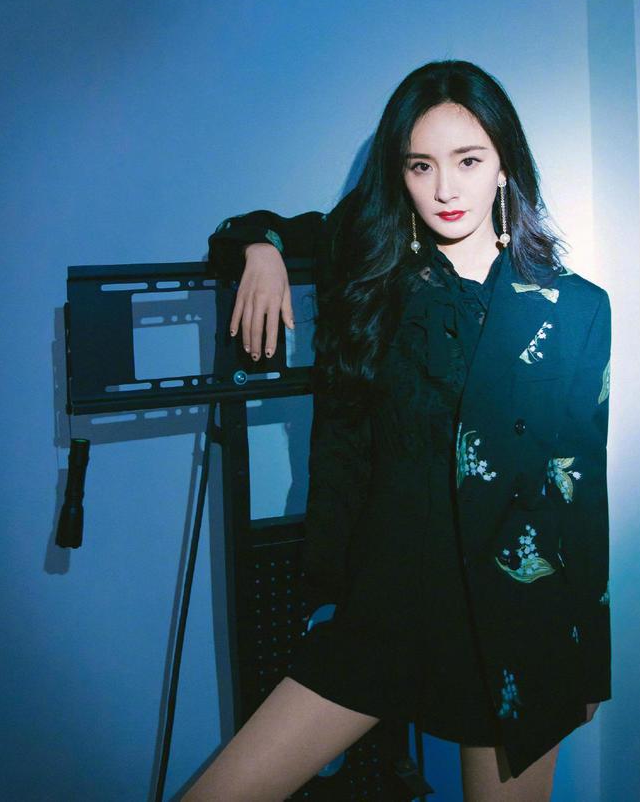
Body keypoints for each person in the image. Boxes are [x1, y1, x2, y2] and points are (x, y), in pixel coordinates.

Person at [182, 60, 611, 801]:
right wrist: (262, 251)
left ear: (504, 165)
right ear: (401, 175)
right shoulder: (368, 269)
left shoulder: (575, 308)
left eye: (467, 161)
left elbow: (581, 494)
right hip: (385, 609)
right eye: (422, 166)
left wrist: (588, 659)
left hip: (513, 628)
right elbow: (250, 231)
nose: (445, 189)